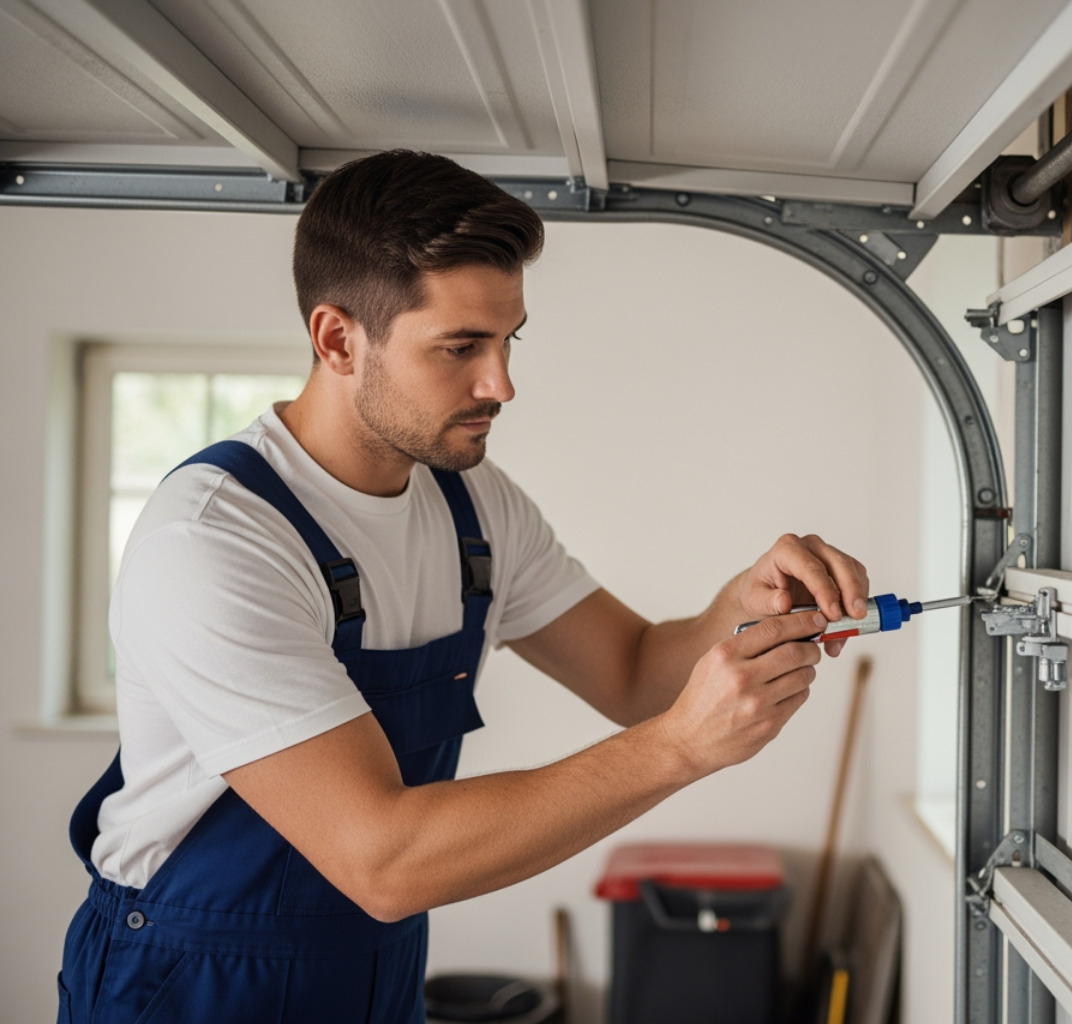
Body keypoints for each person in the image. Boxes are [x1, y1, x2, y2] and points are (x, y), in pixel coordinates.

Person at [57, 150, 869, 1023]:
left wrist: (740, 608)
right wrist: (680, 748)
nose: (502, 384)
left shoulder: (471, 504)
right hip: (192, 980)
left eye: (508, 339)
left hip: (377, 965)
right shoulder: (216, 541)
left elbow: (634, 672)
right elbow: (384, 860)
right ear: (338, 339)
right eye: (460, 348)